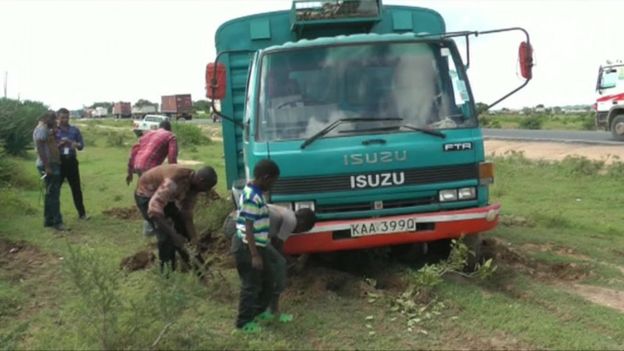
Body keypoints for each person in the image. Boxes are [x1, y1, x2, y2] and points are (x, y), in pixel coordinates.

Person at [134, 164, 217, 272]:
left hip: (166, 198)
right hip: (146, 196)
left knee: (182, 230)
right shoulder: (173, 181)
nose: (206, 191)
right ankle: (167, 274)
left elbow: (186, 215)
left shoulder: (193, 187)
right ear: (201, 180)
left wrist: (194, 239)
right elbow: (154, 210)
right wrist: (174, 235)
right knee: (166, 237)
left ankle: (199, 270)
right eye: (206, 188)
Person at [232, 159, 280, 332]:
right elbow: (248, 227)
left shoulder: (255, 191)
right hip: (247, 246)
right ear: (266, 177)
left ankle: (257, 314)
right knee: (250, 285)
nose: (273, 185)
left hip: (256, 245)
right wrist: (254, 255)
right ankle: (243, 323)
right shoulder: (252, 196)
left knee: (268, 280)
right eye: (273, 181)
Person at [260, 205, 316, 322]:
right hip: (247, 231)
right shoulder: (291, 221)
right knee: (278, 267)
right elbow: (277, 246)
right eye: (302, 229)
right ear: (302, 222)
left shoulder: (286, 213)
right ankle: (267, 310)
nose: (298, 232)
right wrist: (292, 262)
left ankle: (269, 309)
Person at [127, 120, 177, 235]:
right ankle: (152, 228)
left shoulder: (148, 134)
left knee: (145, 194)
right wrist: (173, 175)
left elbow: (133, 152)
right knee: (156, 197)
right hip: (150, 168)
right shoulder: (170, 136)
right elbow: (172, 158)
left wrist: (129, 172)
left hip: (138, 166)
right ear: (169, 128)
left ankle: (151, 227)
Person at [33, 111, 65, 231]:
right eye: (54, 120)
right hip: (49, 165)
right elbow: (41, 148)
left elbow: (47, 142)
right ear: (48, 119)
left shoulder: (45, 129)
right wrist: (47, 166)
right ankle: (57, 222)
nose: (56, 122)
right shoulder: (42, 129)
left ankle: (48, 220)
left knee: (50, 193)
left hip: (51, 164)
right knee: (54, 194)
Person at [55, 108, 88, 219]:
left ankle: (82, 214)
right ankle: (55, 215)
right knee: (56, 189)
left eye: (67, 117)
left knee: (76, 188)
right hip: (59, 161)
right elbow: (50, 148)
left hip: (71, 161)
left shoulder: (74, 130)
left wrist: (73, 143)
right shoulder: (54, 131)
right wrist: (60, 144)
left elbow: (81, 146)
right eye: (62, 118)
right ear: (57, 118)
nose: (65, 120)